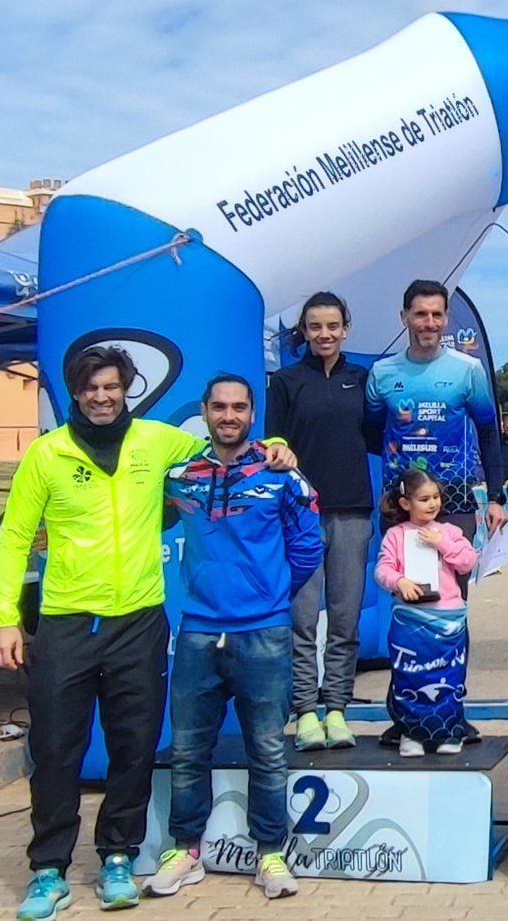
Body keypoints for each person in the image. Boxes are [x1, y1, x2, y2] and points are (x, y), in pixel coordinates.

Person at [0, 345, 298, 919]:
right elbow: (14, 538)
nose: (101, 397)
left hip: (138, 621)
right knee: (57, 749)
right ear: (75, 392)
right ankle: (48, 869)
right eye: (90, 388)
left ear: (125, 389)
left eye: (111, 387)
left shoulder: (157, 442)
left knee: (132, 748)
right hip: (65, 620)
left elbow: (226, 447)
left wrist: (276, 448)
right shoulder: (46, 454)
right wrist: (4, 615)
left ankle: (117, 858)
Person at [145, 374, 323, 902]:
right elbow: (145, 521)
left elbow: (308, 547)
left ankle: (271, 853)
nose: (229, 416)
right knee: (187, 749)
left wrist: (268, 596)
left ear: (253, 413)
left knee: (267, 748)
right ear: (204, 411)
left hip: (264, 632)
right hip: (198, 630)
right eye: (219, 407)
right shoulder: (179, 477)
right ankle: (185, 851)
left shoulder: (283, 476)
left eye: (239, 407)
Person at [267, 291, 376, 752]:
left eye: (333, 326)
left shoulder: (360, 378)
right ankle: (306, 711)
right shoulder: (287, 382)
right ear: (304, 332)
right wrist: (277, 447)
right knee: (303, 621)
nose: (324, 334)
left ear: (346, 328)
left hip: (353, 511)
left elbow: (380, 436)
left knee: (346, 618)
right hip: (301, 516)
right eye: (315, 327)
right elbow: (272, 441)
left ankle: (336, 708)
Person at [366, 279, 507, 540]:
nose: (429, 323)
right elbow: (372, 434)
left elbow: (488, 433)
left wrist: (496, 496)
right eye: (420, 314)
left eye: (436, 314)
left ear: (446, 318)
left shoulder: (468, 369)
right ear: (404, 317)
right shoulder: (382, 373)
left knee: (452, 581)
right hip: (401, 499)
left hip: (454, 497)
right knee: (402, 581)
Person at [372, 469, 479, 756]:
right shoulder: (395, 535)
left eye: (435, 498)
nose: (432, 504)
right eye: (423, 499)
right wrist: (400, 582)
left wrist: (441, 543)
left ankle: (448, 732)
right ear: (406, 503)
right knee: (410, 678)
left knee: (449, 678)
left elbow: (468, 562)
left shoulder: (450, 532)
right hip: (410, 620)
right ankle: (412, 733)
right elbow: (382, 570)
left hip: (448, 619)